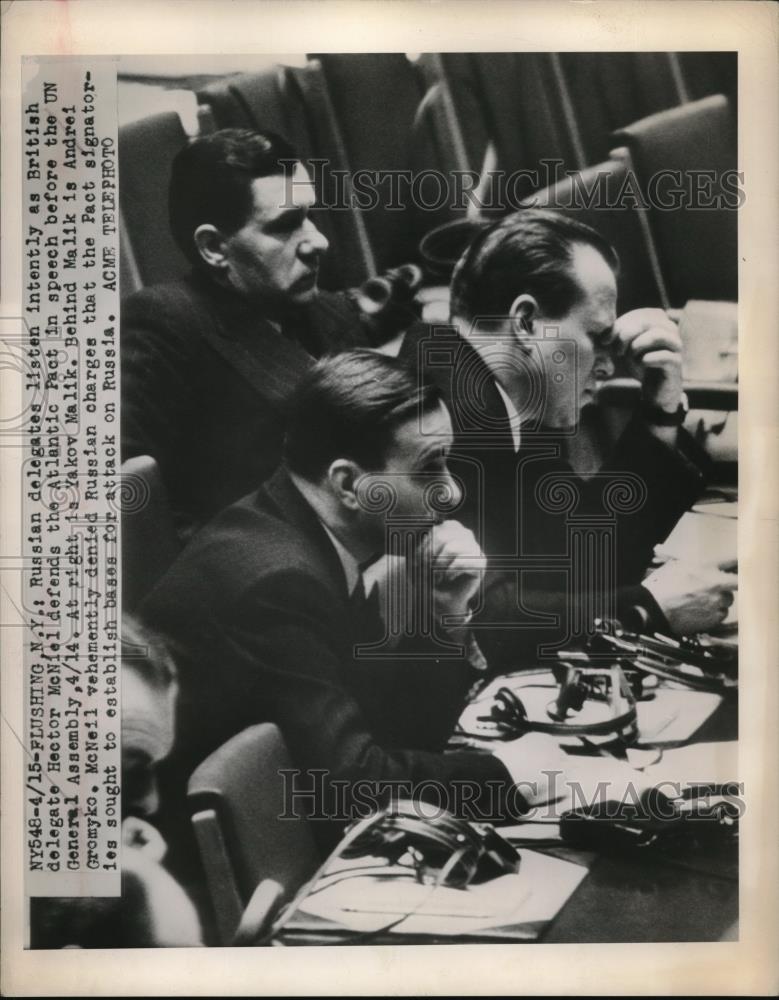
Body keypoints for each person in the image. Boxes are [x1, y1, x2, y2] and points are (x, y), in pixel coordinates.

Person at [140, 351, 634, 859]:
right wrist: (509, 775)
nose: (452, 490)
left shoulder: (306, 532)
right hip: (184, 872)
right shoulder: (276, 581)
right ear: (350, 484)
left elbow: (392, 733)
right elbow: (353, 784)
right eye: (429, 469)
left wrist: (447, 613)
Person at [402, 209, 737, 663]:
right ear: (526, 322)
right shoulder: (441, 415)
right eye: (597, 337)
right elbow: (487, 617)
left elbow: (581, 548)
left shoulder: (496, 391)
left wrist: (659, 411)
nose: (609, 364)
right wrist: (648, 607)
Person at [121, 127, 370, 539]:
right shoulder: (165, 325)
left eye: (312, 218)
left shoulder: (332, 313)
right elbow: (132, 511)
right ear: (214, 248)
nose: (318, 242)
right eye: (286, 225)